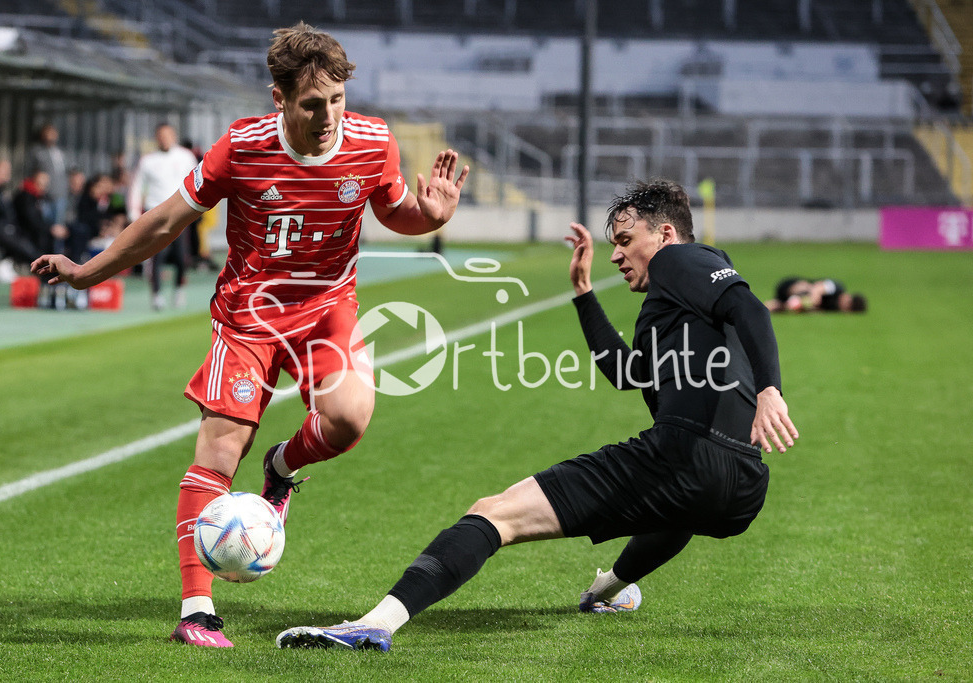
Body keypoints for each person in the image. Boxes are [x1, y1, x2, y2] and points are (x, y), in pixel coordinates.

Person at [32, 21, 469, 648]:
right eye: (312, 104)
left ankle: (281, 469)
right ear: (280, 98)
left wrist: (432, 215)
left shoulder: (374, 142)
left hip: (327, 308)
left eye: (337, 100)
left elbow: (394, 208)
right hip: (249, 318)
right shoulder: (241, 146)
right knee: (216, 453)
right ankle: (196, 610)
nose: (328, 116)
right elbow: (163, 224)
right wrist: (86, 273)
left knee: (349, 420)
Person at [275, 179, 797, 652]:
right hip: (741, 484)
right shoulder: (676, 307)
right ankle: (607, 590)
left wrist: (771, 389)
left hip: (684, 453)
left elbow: (749, 309)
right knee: (678, 509)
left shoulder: (679, 260)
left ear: (664, 234)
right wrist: (584, 295)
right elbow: (625, 372)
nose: (616, 252)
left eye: (625, 239)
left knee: (494, 512)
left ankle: (377, 622)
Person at [127, 124, 199, 309]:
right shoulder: (148, 160)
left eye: (168, 135)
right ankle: (156, 294)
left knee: (182, 257)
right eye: (161, 136)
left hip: (179, 214)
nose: (165, 139)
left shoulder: (185, 156)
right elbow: (137, 187)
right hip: (155, 212)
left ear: (173, 136)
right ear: (156, 138)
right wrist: (134, 213)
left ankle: (178, 290)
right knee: (157, 256)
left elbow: (197, 181)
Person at [26, 123, 69, 227]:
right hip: (44, 195)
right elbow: (30, 170)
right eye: (47, 133)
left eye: (52, 133)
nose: (50, 136)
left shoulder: (61, 153)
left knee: (58, 226)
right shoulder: (37, 151)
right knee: (44, 225)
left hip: (60, 194)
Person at [765, 277, 867, 313]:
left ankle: (777, 305)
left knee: (771, 307)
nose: (844, 306)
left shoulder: (833, 308)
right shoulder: (837, 287)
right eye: (848, 304)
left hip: (795, 301)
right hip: (792, 286)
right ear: (848, 297)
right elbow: (817, 288)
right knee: (805, 287)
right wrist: (813, 300)